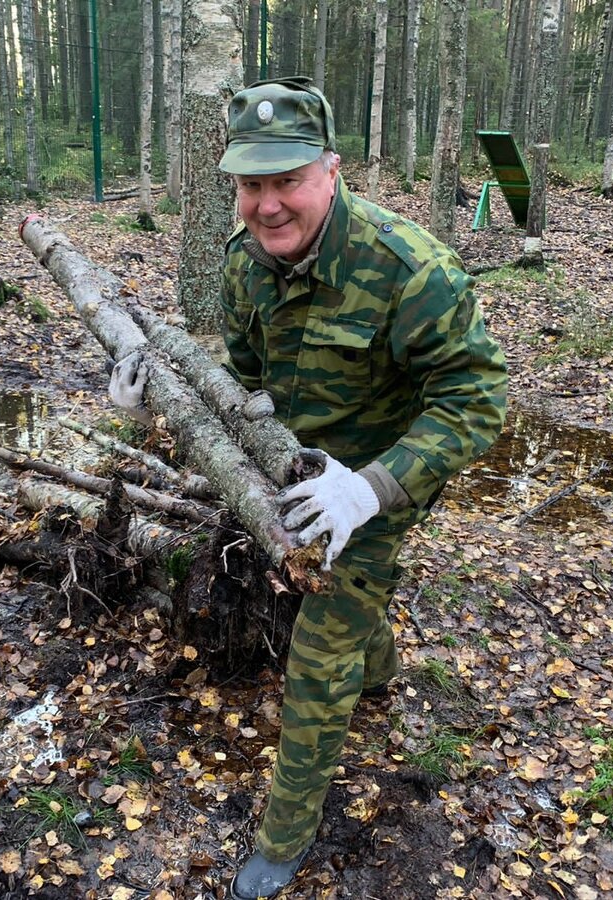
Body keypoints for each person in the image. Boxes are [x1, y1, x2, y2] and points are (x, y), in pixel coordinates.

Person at [110, 76, 507, 899]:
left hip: (386, 477)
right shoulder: (244, 264)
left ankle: (284, 839)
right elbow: (245, 390)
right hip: (295, 473)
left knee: (319, 653)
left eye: (287, 180)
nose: (267, 205)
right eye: (250, 185)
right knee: (349, 607)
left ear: (330, 169)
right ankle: (381, 667)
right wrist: (157, 408)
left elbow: (476, 403)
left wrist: (369, 491)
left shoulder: (409, 269)